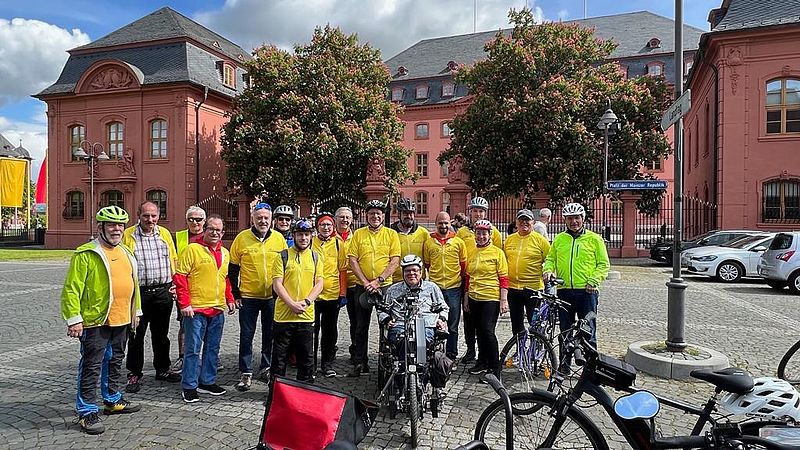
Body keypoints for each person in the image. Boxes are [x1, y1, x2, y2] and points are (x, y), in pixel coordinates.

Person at [61, 206, 141, 435]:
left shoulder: (126, 252)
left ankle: (112, 399)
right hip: (96, 321)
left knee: (115, 360)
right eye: (112, 225)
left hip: (122, 319)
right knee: (91, 365)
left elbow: (133, 285)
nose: (117, 229)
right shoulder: (86, 254)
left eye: (120, 225)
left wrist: (136, 311)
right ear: (101, 227)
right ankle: (86, 410)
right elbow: (72, 289)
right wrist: (74, 319)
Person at [173, 214, 237, 403]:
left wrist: (230, 298)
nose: (215, 232)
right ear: (205, 230)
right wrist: (184, 304)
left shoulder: (225, 253)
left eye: (219, 230)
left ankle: (207, 381)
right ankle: (189, 385)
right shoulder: (192, 249)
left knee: (213, 348)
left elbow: (224, 278)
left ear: (223, 232)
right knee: (192, 349)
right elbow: (180, 277)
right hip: (196, 309)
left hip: (217, 308)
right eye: (211, 229)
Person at [122, 201, 180, 393]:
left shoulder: (164, 234)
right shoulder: (128, 235)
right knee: (136, 335)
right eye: (146, 215)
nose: (150, 219)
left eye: (154, 216)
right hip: (139, 293)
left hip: (163, 292)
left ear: (158, 216)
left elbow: (173, 259)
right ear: (138, 215)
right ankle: (134, 373)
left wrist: (174, 284)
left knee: (161, 334)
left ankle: (162, 369)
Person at [230, 202, 288, 391]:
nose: (263, 221)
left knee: (270, 334)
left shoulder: (279, 239)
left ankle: (266, 367)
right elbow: (233, 270)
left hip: (272, 297)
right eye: (259, 217)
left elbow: (285, 268)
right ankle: (245, 372)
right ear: (252, 219)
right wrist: (235, 294)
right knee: (246, 335)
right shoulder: (241, 239)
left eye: (266, 218)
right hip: (248, 297)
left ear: (271, 220)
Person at [543, 203, 609, 355]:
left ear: (583, 219)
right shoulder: (560, 239)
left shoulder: (594, 239)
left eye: (577, 218)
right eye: (570, 218)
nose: (574, 222)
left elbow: (603, 264)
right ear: (565, 220)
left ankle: (590, 370)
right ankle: (564, 367)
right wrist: (548, 270)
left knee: (588, 332)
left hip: (587, 292)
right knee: (565, 332)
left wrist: (594, 280)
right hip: (564, 290)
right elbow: (550, 259)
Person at [347, 199, 401, 377]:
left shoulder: (391, 234)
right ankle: (359, 361)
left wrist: (378, 280)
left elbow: (395, 260)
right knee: (360, 326)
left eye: (378, 213)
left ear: (382, 215)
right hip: (362, 286)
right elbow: (353, 260)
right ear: (367, 215)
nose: (375, 216)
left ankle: (385, 361)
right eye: (372, 214)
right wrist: (365, 281)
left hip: (385, 287)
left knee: (386, 324)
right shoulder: (358, 234)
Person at [271, 219, 324, 382]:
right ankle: (276, 390)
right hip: (284, 315)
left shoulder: (315, 257)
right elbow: (277, 284)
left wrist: (307, 302)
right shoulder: (283, 256)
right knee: (280, 357)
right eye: (300, 234)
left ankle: (305, 389)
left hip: (306, 315)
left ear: (311, 236)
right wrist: (291, 304)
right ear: (294, 235)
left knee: (306, 357)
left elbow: (320, 283)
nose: (303, 238)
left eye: (306, 235)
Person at [456, 196, 503, 363]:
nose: (478, 214)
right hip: (468, 279)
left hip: (487, 284)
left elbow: (498, 255)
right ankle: (470, 350)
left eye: (481, 211)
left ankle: (487, 358)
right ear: (470, 212)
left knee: (485, 327)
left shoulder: (494, 232)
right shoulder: (462, 232)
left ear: (486, 213)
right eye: (475, 211)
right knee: (469, 320)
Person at [379, 255, 448, 362]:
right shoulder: (393, 290)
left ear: (421, 272)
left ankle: (423, 369)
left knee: (424, 341)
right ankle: (402, 369)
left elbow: (444, 307)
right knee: (403, 341)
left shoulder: (432, 288)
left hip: (426, 326)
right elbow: (382, 310)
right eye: (407, 271)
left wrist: (442, 319)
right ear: (403, 273)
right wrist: (387, 319)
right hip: (400, 326)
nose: (411, 273)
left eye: (415, 270)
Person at [463, 220, 509, 376]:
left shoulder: (497, 253)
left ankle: (495, 366)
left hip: (490, 297)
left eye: (484, 233)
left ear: (490, 235)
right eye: (478, 233)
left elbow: (503, 278)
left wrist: (504, 300)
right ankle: (482, 362)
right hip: (475, 297)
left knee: (488, 331)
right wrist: (466, 298)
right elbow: (468, 277)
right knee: (479, 331)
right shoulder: (473, 252)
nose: (481, 236)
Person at [423, 211, 467, 360]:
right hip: (435, 289)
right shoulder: (429, 242)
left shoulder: (458, 242)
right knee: (434, 322)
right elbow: (427, 264)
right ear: (436, 224)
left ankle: (451, 355)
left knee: (452, 325)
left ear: (451, 223)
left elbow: (463, 265)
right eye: (440, 223)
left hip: (454, 288)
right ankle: (435, 354)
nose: (443, 225)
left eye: (446, 223)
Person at [311, 212, 348, 377]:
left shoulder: (339, 244)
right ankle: (310, 363)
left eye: (329, 225)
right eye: (322, 225)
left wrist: (343, 292)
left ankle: (327, 363)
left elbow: (342, 270)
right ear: (317, 227)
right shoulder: (311, 242)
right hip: (312, 294)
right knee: (312, 330)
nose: (326, 228)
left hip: (332, 294)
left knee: (329, 330)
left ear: (333, 227)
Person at [503, 209, 551, 337]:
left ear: (533, 222)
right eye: (521, 220)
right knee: (517, 325)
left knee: (535, 323)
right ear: (516, 223)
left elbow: (550, 260)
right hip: (513, 289)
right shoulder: (509, 240)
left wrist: (548, 271)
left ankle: (536, 351)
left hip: (533, 288)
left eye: (527, 220)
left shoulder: (540, 240)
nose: (524, 223)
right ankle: (521, 352)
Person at [171, 205, 206, 374]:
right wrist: (173, 284)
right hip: (184, 289)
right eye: (191, 219)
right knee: (184, 325)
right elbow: (170, 261)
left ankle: (206, 356)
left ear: (204, 221)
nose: (195, 222)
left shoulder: (210, 236)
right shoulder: (178, 237)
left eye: (198, 219)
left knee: (207, 325)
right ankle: (183, 356)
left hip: (205, 289)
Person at [335, 206, 360, 366]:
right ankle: (330, 351)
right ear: (335, 218)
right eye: (341, 217)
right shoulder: (328, 236)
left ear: (352, 220)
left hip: (352, 283)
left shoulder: (356, 236)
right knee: (330, 323)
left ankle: (355, 351)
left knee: (355, 321)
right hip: (332, 284)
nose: (345, 220)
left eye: (347, 217)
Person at [390, 197, 429, 282]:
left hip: (417, 279)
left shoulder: (423, 232)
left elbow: (428, 258)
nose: (409, 216)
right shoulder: (390, 233)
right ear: (399, 215)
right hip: (397, 280)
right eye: (405, 213)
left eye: (411, 213)